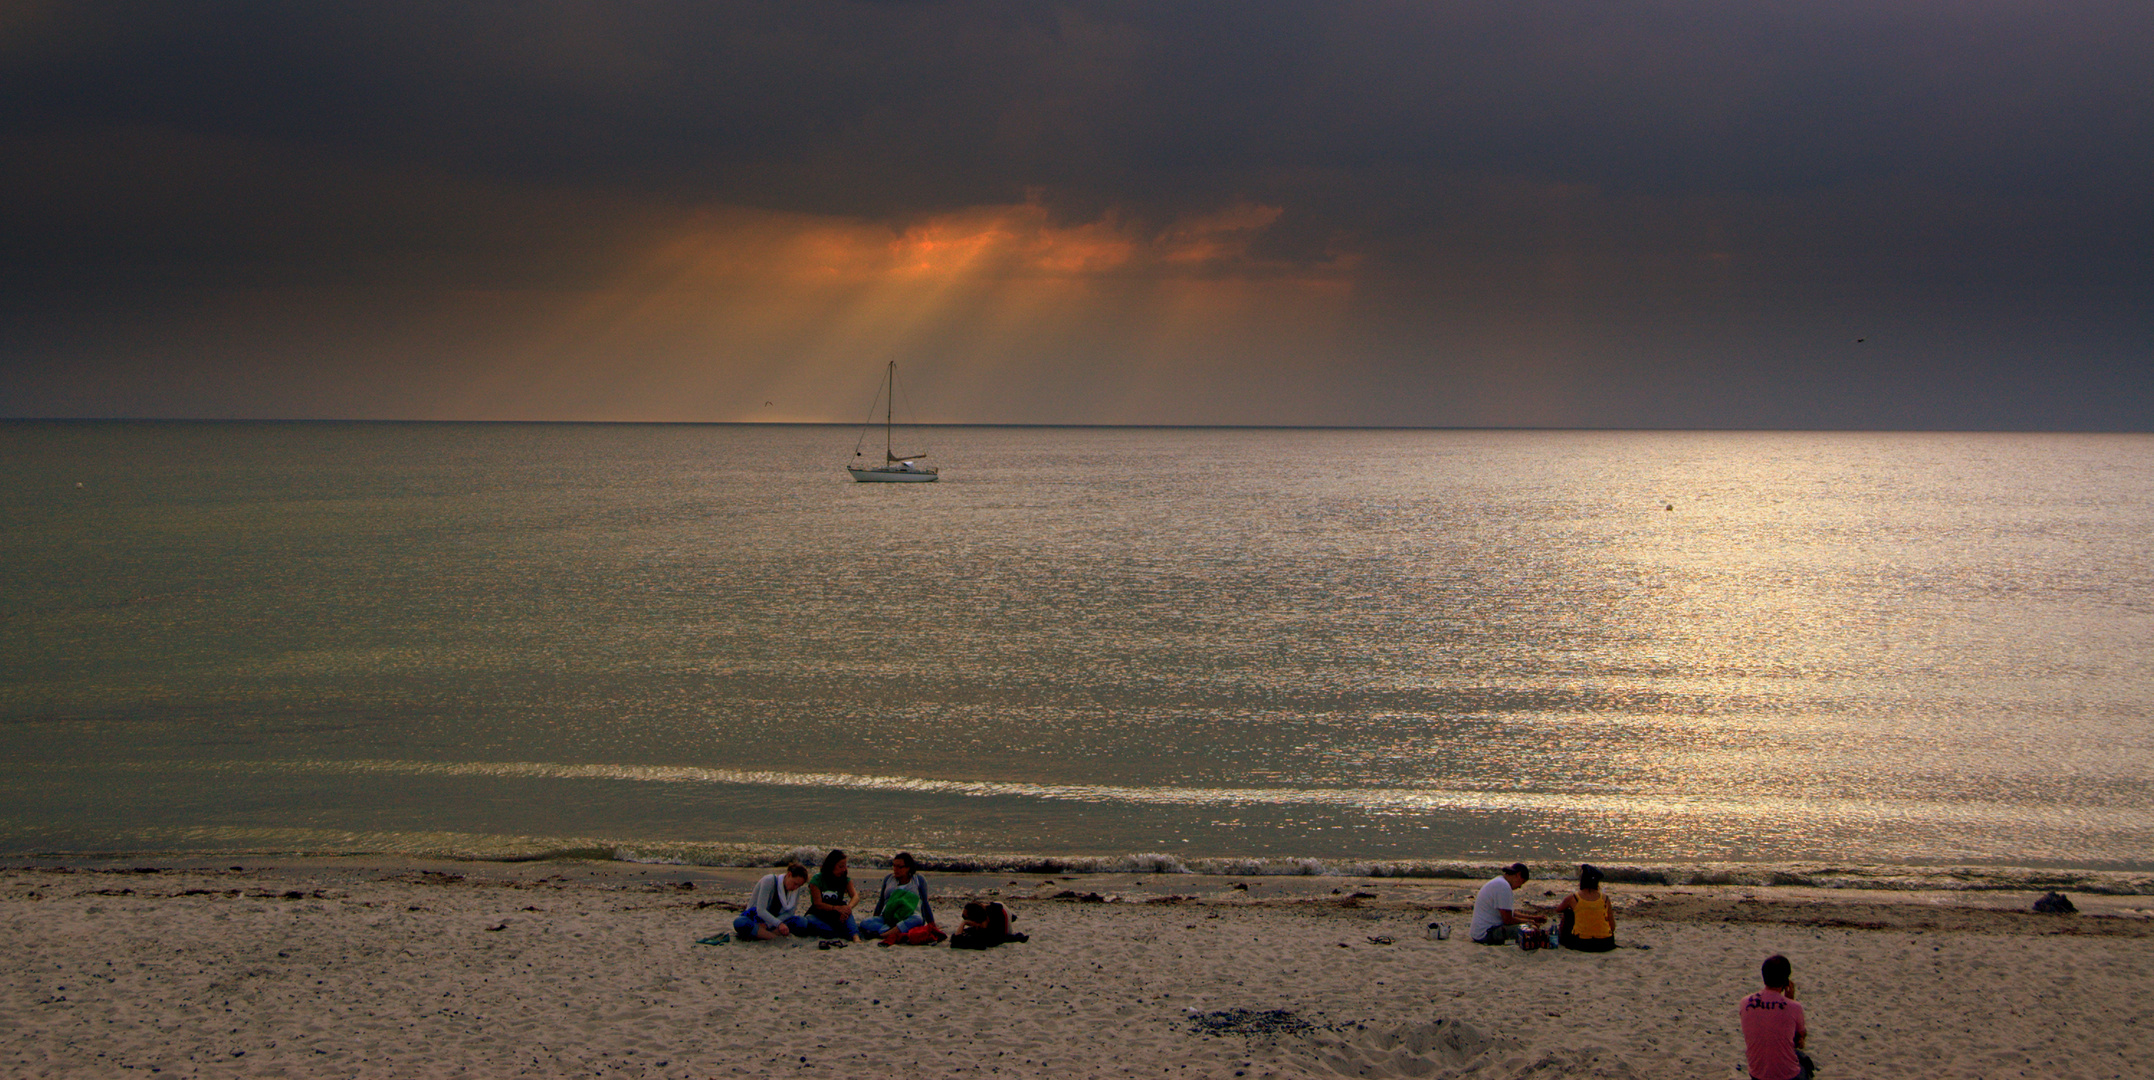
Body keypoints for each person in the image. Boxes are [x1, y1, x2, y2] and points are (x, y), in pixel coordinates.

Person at [1739, 954, 1814, 1080]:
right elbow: (1798, 1041)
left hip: (1757, 1074)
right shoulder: (1794, 1007)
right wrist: (1790, 1000)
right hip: (1786, 1076)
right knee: (1804, 1061)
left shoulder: (1745, 1002)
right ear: (1786, 980)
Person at [858, 851, 937, 941]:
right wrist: (875, 916)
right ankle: (893, 931)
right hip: (889, 917)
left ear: (908, 868)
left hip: (909, 915)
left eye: (900, 867)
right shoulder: (888, 879)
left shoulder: (918, 880)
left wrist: (932, 924)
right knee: (865, 923)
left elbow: (925, 903)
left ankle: (885, 933)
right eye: (894, 866)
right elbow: (881, 901)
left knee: (918, 919)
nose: (896, 869)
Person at [732, 862, 813, 941]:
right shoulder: (769, 881)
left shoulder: (795, 890)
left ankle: (761, 934)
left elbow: (790, 913)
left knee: (802, 922)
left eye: (799, 886)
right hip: (757, 919)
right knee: (740, 922)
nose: (796, 887)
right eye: (795, 884)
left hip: (775, 922)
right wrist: (778, 924)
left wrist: (772, 924)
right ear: (789, 875)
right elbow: (760, 910)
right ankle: (772, 937)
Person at [1469, 862, 1544, 945]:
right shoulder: (1503, 887)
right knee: (1531, 931)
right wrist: (1529, 923)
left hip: (1478, 933)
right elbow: (1508, 920)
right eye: (1521, 883)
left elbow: (1510, 912)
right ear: (1518, 875)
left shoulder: (1499, 881)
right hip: (1487, 933)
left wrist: (1534, 918)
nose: (1520, 887)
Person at [1550, 864, 1616, 951]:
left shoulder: (1574, 898)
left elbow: (1559, 910)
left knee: (1568, 913)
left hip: (1582, 943)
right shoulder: (1605, 898)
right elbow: (1612, 926)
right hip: (1605, 943)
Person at [804, 849, 860, 940]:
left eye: (845, 866)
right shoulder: (817, 880)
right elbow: (818, 904)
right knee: (809, 920)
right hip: (820, 913)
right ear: (831, 866)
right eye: (841, 866)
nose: (844, 869)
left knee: (847, 912)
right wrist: (836, 908)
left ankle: (856, 937)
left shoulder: (845, 880)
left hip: (838, 914)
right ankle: (834, 933)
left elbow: (855, 897)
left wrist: (848, 908)